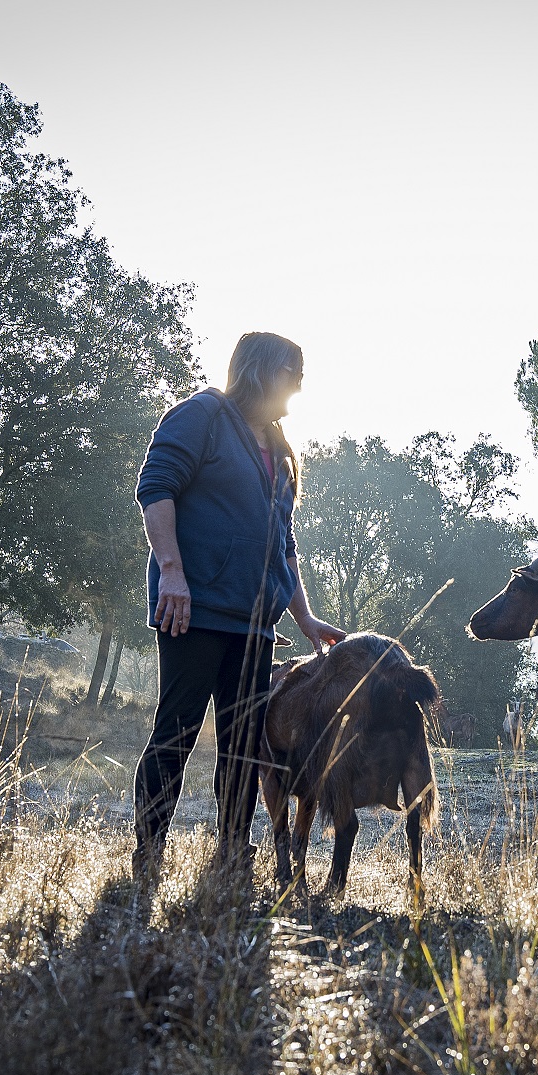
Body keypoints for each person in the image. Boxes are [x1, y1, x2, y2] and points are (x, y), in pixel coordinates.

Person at [132, 332, 345, 889]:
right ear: (258, 369)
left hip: (256, 628)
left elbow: (283, 545)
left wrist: (303, 618)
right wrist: (172, 574)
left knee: (243, 749)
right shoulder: (201, 416)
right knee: (175, 734)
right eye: (291, 369)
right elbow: (156, 489)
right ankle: (148, 857)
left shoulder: (278, 447)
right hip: (194, 612)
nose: (300, 381)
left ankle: (231, 857)